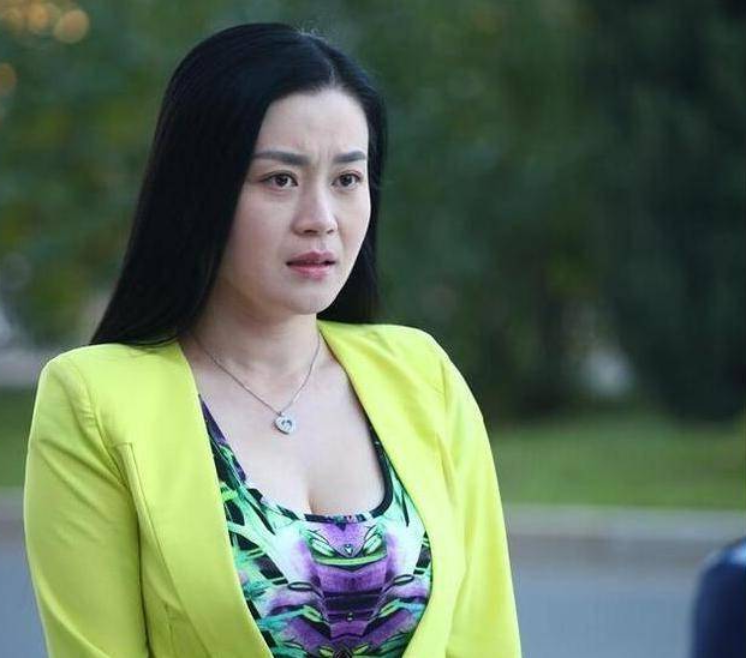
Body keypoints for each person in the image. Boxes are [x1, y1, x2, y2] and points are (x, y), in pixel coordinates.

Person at [23, 22, 521, 658]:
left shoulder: (423, 375)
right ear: (199, 192)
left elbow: (485, 640)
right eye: (280, 179)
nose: (321, 219)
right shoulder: (94, 400)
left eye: (347, 179)